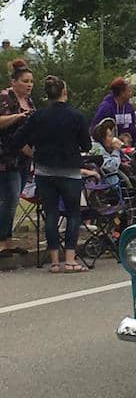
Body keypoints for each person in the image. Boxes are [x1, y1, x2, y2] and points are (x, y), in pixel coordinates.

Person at [12, 76, 91, 273]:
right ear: (64, 92)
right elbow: (86, 145)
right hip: (70, 170)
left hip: (44, 170)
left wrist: (33, 153)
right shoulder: (76, 116)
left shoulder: (37, 116)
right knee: (73, 213)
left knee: (51, 213)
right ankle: (70, 259)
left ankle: (54, 260)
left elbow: (17, 139)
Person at [0, 59, 34, 257]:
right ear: (14, 82)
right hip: (5, 158)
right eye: (25, 81)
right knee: (10, 198)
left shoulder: (29, 101)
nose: (29, 85)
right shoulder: (5, 97)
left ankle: (8, 240)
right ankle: (2, 241)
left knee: (14, 197)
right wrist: (18, 117)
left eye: (31, 81)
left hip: (24, 157)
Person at [90, 77, 136, 145]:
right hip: (110, 149)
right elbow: (96, 130)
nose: (130, 93)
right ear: (122, 93)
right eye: (128, 90)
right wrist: (115, 140)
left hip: (128, 148)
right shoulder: (106, 108)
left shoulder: (129, 108)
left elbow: (133, 128)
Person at [88, 118, 123, 184]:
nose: (112, 139)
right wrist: (116, 150)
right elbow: (111, 167)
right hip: (105, 183)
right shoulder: (98, 148)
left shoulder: (97, 146)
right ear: (102, 137)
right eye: (110, 136)